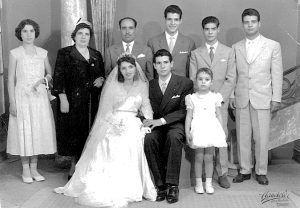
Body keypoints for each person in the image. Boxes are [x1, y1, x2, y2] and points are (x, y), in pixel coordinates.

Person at [54, 54, 157, 208]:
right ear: (119, 70)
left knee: (132, 140)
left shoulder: (142, 85)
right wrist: (113, 123)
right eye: (123, 68)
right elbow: (106, 109)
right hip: (113, 120)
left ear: (135, 68)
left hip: (133, 121)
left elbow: (146, 105)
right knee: (108, 140)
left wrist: (148, 122)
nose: (127, 71)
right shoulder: (113, 85)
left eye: (130, 67)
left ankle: (128, 184)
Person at [230, 8, 283, 185]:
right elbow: (233, 75)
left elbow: (276, 73)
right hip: (242, 97)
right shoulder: (236, 47)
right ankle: (245, 170)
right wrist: (231, 95)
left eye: (253, 21)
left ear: (259, 23)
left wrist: (276, 98)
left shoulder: (272, 45)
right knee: (243, 136)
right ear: (243, 24)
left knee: (261, 138)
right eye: (246, 22)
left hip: (263, 98)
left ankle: (261, 171)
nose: (250, 25)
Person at [53, 20, 105, 180]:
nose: (83, 37)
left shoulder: (96, 54)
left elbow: (102, 74)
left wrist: (101, 79)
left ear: (90, 37)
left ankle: (88, 166)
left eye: (87, 34)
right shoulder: (65, 53)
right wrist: (62, 98)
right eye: (80, 33)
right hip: (72, 101)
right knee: (74, 134)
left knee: (90, 132)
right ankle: (74, 166)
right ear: (74, 36)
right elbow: (58, 77)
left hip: (92, 101)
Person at [7, 19, 56, 183]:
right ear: (19, 33)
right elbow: (10, 80)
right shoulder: (15, 53)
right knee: (24, 131)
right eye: (25, 31)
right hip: (21, 97)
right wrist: (12, 102)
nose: (28, 34)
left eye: (31, 31)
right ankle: (25, 169)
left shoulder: (43, 53)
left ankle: (34, 168)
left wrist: (43, 80)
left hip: (39, 97)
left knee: (36, 131)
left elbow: (50, 74)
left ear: (36, 33)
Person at [189, 16, 236, 189]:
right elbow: (193, 79)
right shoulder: (196, 53)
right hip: (201, 103)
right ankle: (202, 175)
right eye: (207, 29)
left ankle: (222, 172)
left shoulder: (228, 52)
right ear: (203, 30)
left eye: (213, 29)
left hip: (219, 103)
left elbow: (231, 78)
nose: (210, 32)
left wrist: (218, 99)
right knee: (202, 137)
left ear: (218, 29)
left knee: (220, 136)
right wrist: (204, 98)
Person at [144, 49, 193, 203]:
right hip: (156, 124)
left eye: (165, 62)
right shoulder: (149, 85)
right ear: (154, 65)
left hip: (175, 124)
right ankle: (160, 185)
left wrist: (162, 121)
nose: (162, 66)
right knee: (149, 138)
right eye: (159, 63)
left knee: (173, 137)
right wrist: (147, 120)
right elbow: (144, 107)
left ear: (172, 64)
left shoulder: (185, 83)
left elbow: (184, 110)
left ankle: (172, 185)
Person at [185, 68, 227, 194]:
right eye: (200, 79)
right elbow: (189, 116)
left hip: (211, 128)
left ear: (211, 82)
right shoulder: (191, 98)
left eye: (207, 79)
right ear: (196, 81)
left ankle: (208, 183)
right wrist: (187, 131)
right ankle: (199, 184)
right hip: (198, 128)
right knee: (198, 157)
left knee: (209, 157)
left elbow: (219, 115)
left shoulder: (215, 97)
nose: (203, 82)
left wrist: (222, 130)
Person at [147, 5, 195, 77]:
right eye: (169, 19)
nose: (172, 23)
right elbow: (150, 70)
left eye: (176, 20)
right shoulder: (152, 42)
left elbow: (191, 70)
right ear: (165, 20)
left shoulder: (189, 42)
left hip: (182, 86)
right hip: (160, 85)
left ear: (180, 21)